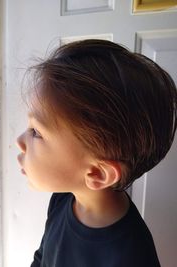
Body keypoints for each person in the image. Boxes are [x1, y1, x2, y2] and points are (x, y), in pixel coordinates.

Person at [16, 39, 177, 267]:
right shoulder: (63, 198)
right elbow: (42, 257)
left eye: (37, 132)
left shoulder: (130, 256)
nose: (19, 141)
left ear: (97, 174)